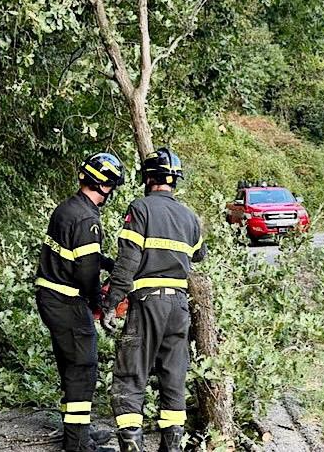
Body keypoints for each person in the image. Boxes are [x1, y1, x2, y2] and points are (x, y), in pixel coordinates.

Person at [101, 147, 207, 452]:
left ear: (149, 178)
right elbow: (199, 254)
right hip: (179, 307)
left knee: (131, 374)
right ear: (175, 181)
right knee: (174, 378)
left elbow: (127, 262)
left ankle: (132, 446)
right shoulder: (190, 217)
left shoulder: (141, 208)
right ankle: (171, 447)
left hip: (148, 303)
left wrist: (112, 302)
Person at [34, 152, 124, 452]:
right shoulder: (87, 218)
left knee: (70, 365)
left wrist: (110, 264)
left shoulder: (67, 208)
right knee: (82, 369)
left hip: (51, 296)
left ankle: (80, 432)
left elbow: (81, 256)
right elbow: (85, 271)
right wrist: (100, 299)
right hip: (67, 301)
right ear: (105, 186)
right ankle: (78, 445)